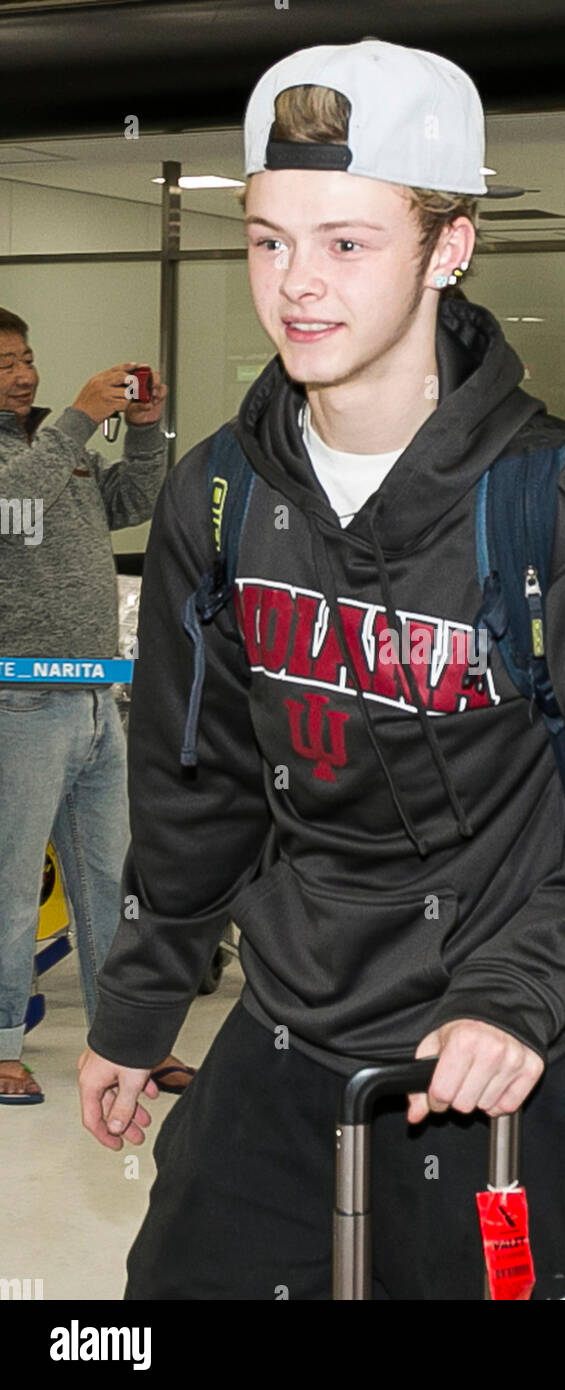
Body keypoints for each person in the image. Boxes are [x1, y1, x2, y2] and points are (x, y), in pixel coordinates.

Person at [78, 39, 565, 1300]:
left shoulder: (555, 499)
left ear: (450, 248)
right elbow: (193, 782)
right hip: (289, 1031)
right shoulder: (217, 493)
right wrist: (137, 1007)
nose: (297, 286)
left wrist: (518, 997)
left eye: (347, 244)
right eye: (268, 241)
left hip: (503, 1053)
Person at [0, 308, 194, 1102]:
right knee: (10, 885)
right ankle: (3, 1043)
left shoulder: (53, 447)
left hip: (91, 694)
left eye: (28, 356)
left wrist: (143, 431)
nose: (25, 373)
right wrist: (80, 420)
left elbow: (130, 499)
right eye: (7, 362)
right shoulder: (44, 450)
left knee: (114, 884)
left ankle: (130, 1041)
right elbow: (11, 506)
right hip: (18, 698)